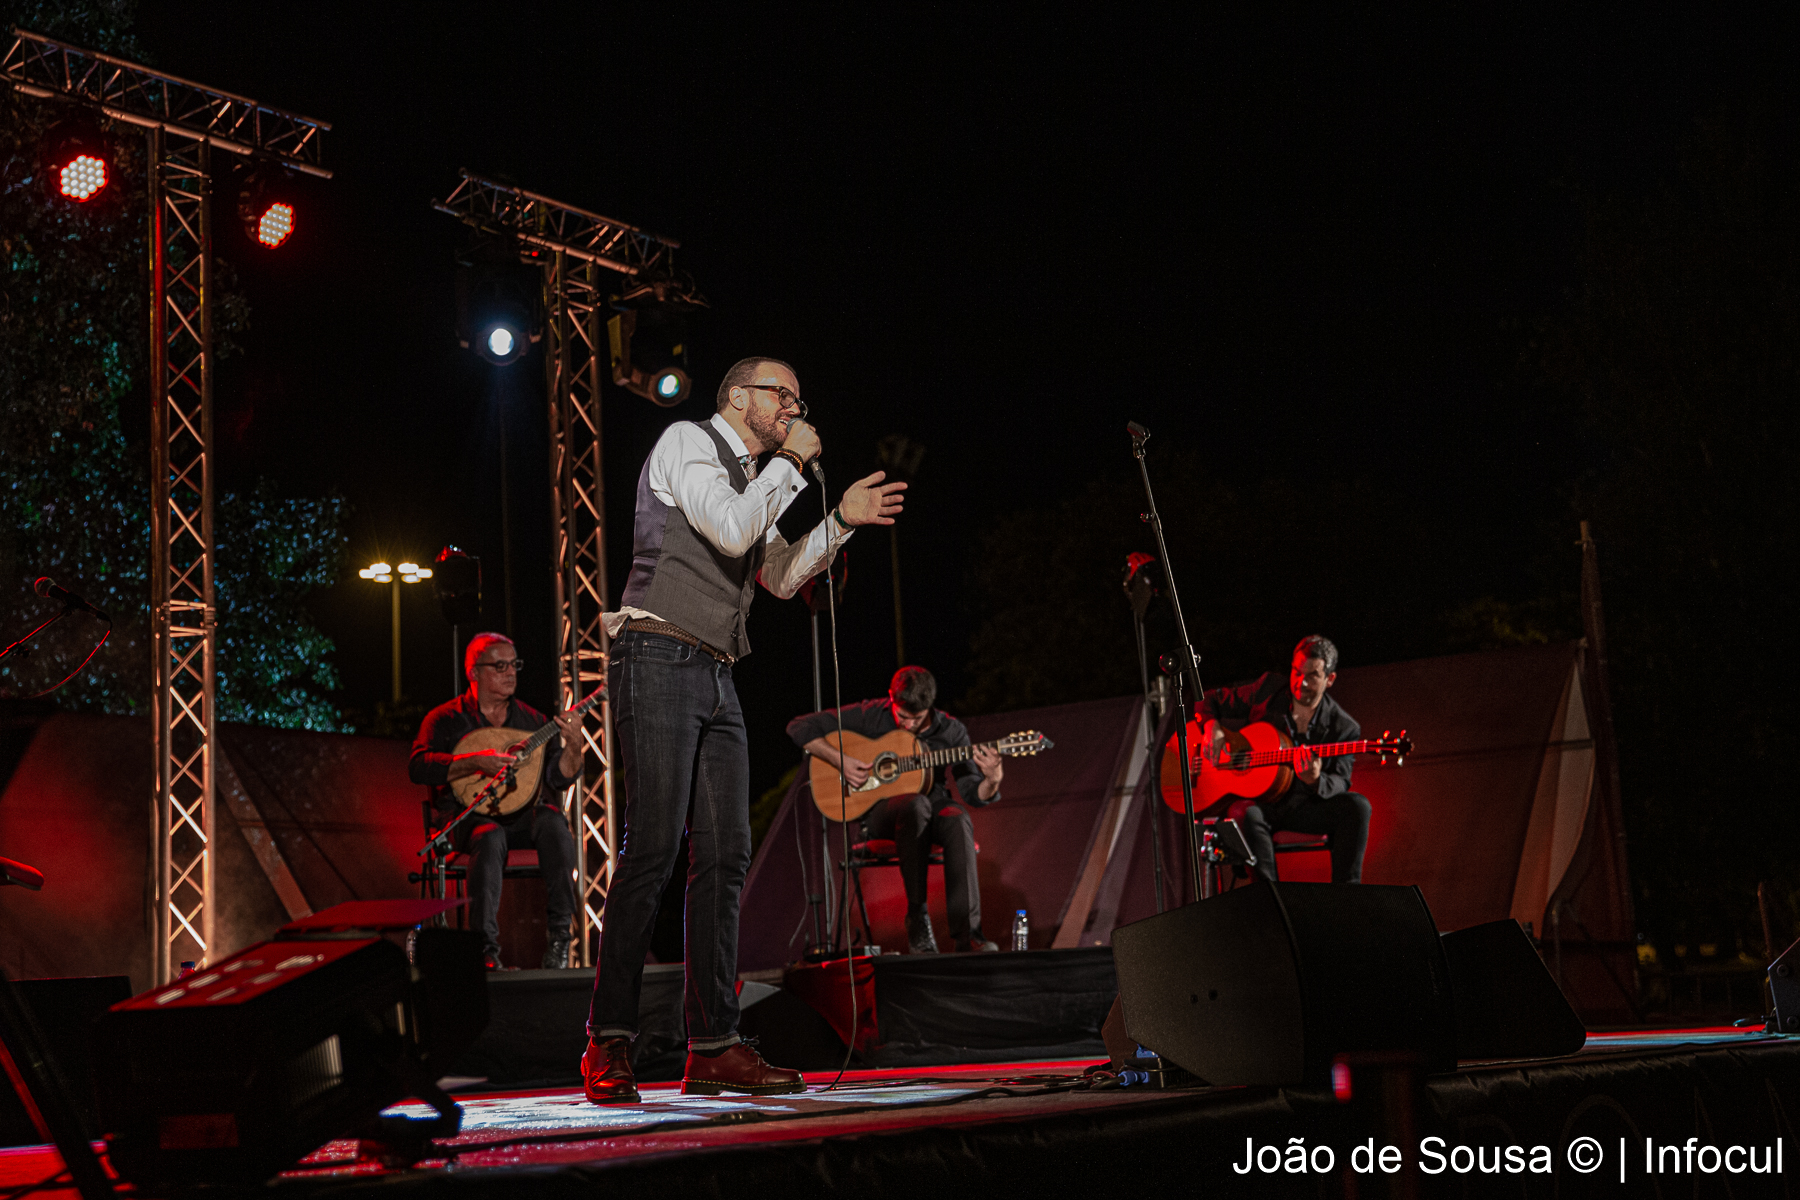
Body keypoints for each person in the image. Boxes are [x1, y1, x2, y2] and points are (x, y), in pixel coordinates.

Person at [581, 356, 906, 1104]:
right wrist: (791, 463)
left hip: (719, 669)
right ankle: (609, 1039)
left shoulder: (757, 480)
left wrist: (840, 524)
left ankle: (716, 1045)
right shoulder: (687, 442)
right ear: (736, 398)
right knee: (654, 845)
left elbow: (781, 575)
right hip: (657, 651)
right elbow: (729, 532)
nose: (793, 406)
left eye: (799, 397)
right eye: (779, 394)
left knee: (725, 856)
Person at [788, 666, 1003, 954]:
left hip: (933, 806)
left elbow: (972, 794)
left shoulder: (951, 731)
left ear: (930, 707)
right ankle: (917, 917)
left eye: (917, 718)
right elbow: (798, 726)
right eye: (902, 716)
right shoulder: (871, 713)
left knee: (958, 817)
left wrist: (992, 779)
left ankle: (969, 936)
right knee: (915, 805)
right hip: (883, 813)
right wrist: (841, 761)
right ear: (892, 699)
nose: (908, 724)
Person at [409, 632, 583, 970]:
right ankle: (486, 952)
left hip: (520, 817)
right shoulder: (445, 719)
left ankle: (560, 939)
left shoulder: (532, 722)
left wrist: (574, 745)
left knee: (553, 824)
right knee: (490, 836)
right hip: (467, 818)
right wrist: (474, 762)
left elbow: (558, 777)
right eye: (499, 666)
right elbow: (418, 766)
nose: (510, 673)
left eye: (513, 665)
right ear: (474, 672)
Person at [1199, 634, 1371, 884]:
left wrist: (1315, 780)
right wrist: (1211, 727)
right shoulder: (1268, 690)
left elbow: (1341, 781)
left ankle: (1344, 900)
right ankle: (1271, 902)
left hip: (1304, 806)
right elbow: (1208, 699)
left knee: (1358, 806)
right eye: (1297, 672)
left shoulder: (1343, 727)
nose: (1301, 683)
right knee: (1243, 813)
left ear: (1330, 679)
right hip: (1260, 803)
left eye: (1312, 676)